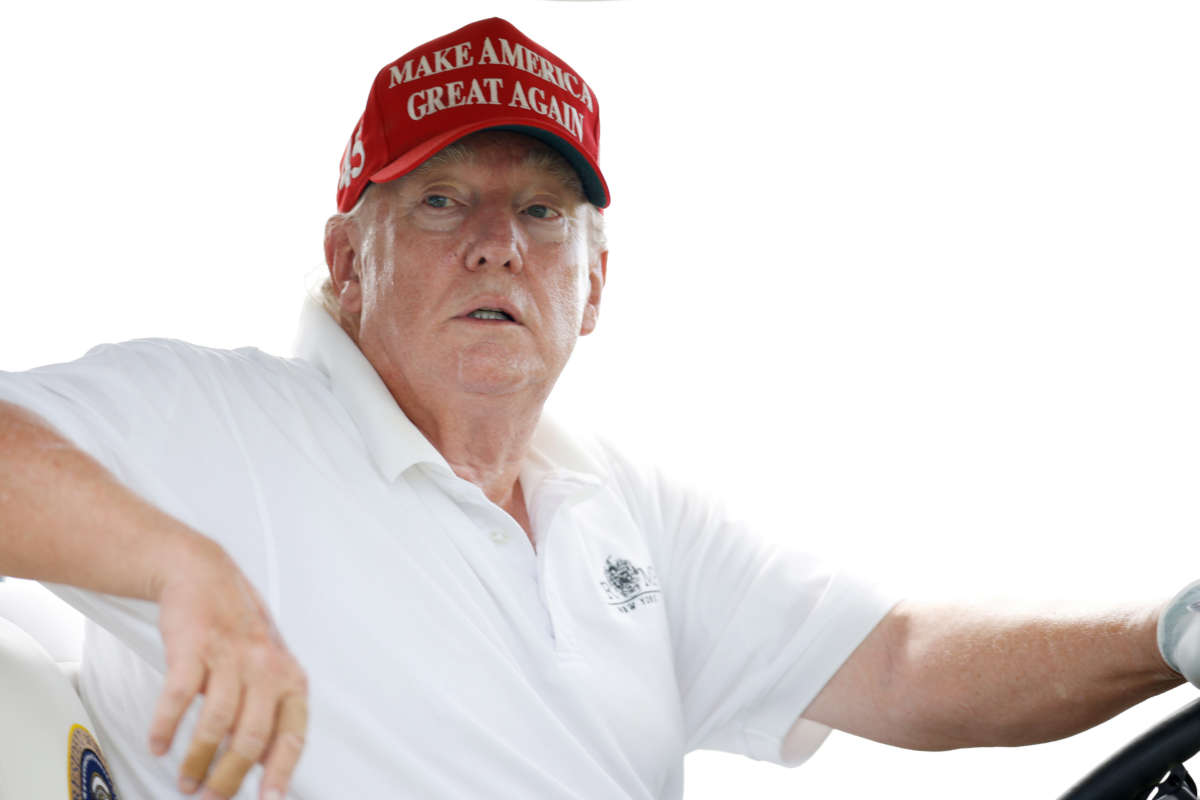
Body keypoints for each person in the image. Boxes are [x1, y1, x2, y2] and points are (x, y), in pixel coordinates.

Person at [0, 15, 1196, 800]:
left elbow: (900, 662)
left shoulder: (627, 508)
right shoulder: (223, 427)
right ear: (345, 261)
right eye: (439, 202)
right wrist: (174, 558)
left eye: (542, 212)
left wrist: (1169, 628)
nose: (493, 247)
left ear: (596, 282)